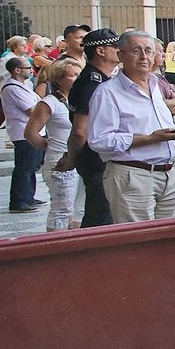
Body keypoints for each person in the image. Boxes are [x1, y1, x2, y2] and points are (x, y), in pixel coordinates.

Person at [86, 31, 175, 223]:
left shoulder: (155, 84)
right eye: (136, 51)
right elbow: (100, 140)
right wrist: (151, 139)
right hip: (133, 174)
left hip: (167, 173)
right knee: (138, 242)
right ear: (121, 55)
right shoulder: (107, 93)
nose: (144, 57)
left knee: (169, 237)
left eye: (149, 51)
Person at [56, 28, 121, 227]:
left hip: (100, 156)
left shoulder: (101, 79)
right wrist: (72, 157)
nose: (120, 50)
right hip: (95, 158)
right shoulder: (91, 83)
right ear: (101, 51)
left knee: (105, 212)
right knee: (100, 214)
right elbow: (80, 130)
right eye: (115, 46)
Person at [26, 57, 83, 231]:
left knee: (78, 208)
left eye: (79, 74)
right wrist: (47, 145)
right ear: (59, 79)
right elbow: (30, 132)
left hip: (80, 158)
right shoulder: (49, 102)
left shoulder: (78, 101)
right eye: (72, 75)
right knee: (62, 209)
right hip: (60, 159)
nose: (77, 78)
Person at [0, 57, 44, 212]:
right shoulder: (12, 88)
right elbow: (32, 109)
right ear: (17, 70)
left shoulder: (23, 86)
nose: (31, 70)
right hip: (23, 132)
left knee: (31, 166)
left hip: (32, 131)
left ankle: (28, 197)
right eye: (27, 68)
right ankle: (19, 201)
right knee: (24, 168)